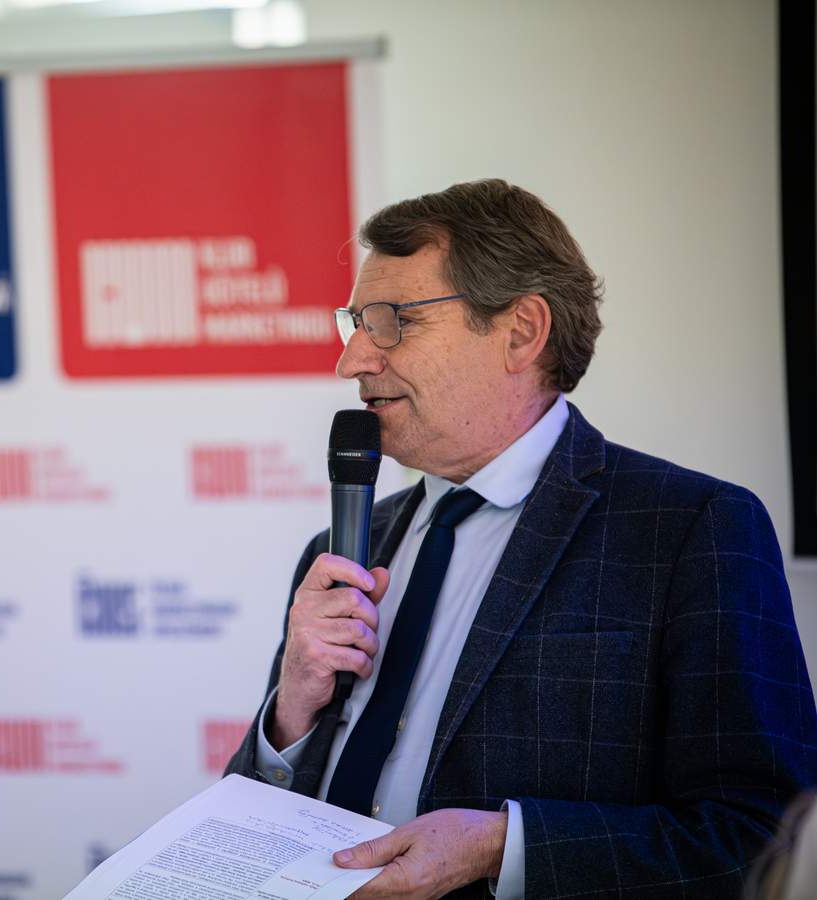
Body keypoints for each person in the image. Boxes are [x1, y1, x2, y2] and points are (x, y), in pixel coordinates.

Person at [224, 179, 817, 899]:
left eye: (391, 322)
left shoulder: (690, 529)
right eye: (354, 323)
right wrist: (289, 716)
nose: (352, 361)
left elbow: (759, 837)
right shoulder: (347, 544)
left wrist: (502, 848)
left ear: (520, 331)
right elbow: (256, 808)